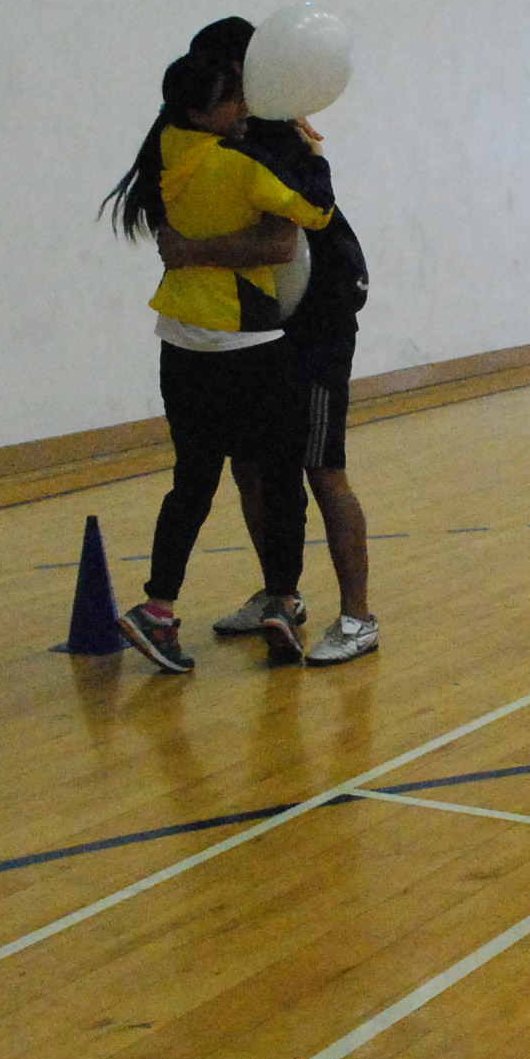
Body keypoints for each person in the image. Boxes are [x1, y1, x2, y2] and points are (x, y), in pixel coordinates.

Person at [104, 50, 332, 673]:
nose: (244, 107)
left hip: (180, 341)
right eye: (234, 98)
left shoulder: (164, 153)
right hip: (247, 342)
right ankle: (281, 601)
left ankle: (157, 608)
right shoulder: (237, 164)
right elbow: (314, 211)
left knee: (192, 483)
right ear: (206, 110)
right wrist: (309, 152)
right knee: (280, 479)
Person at [165, 16, 380, 666]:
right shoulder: (215, 138)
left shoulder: (282, 141)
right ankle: (280, 595)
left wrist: (190, 252)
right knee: (251, 464)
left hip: (318, 322)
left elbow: (282, 242)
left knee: (322, 468)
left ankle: (358, 618)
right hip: (261, 327)